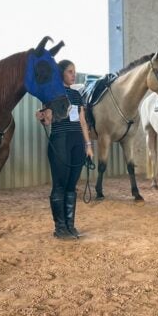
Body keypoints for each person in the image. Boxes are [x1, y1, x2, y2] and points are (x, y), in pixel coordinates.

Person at [36, 60, 93, 240]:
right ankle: (60, 227)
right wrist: (42, 117)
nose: (73, 75)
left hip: (77, 142)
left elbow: (82, 121)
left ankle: (70, 225)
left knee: (71, 185)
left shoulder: (77, 94)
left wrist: (88, 145)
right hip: (60, 140)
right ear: (61, 74)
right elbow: (48, 121)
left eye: (74, 72)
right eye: (70, 72)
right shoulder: (51, 94)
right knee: (59, 185)